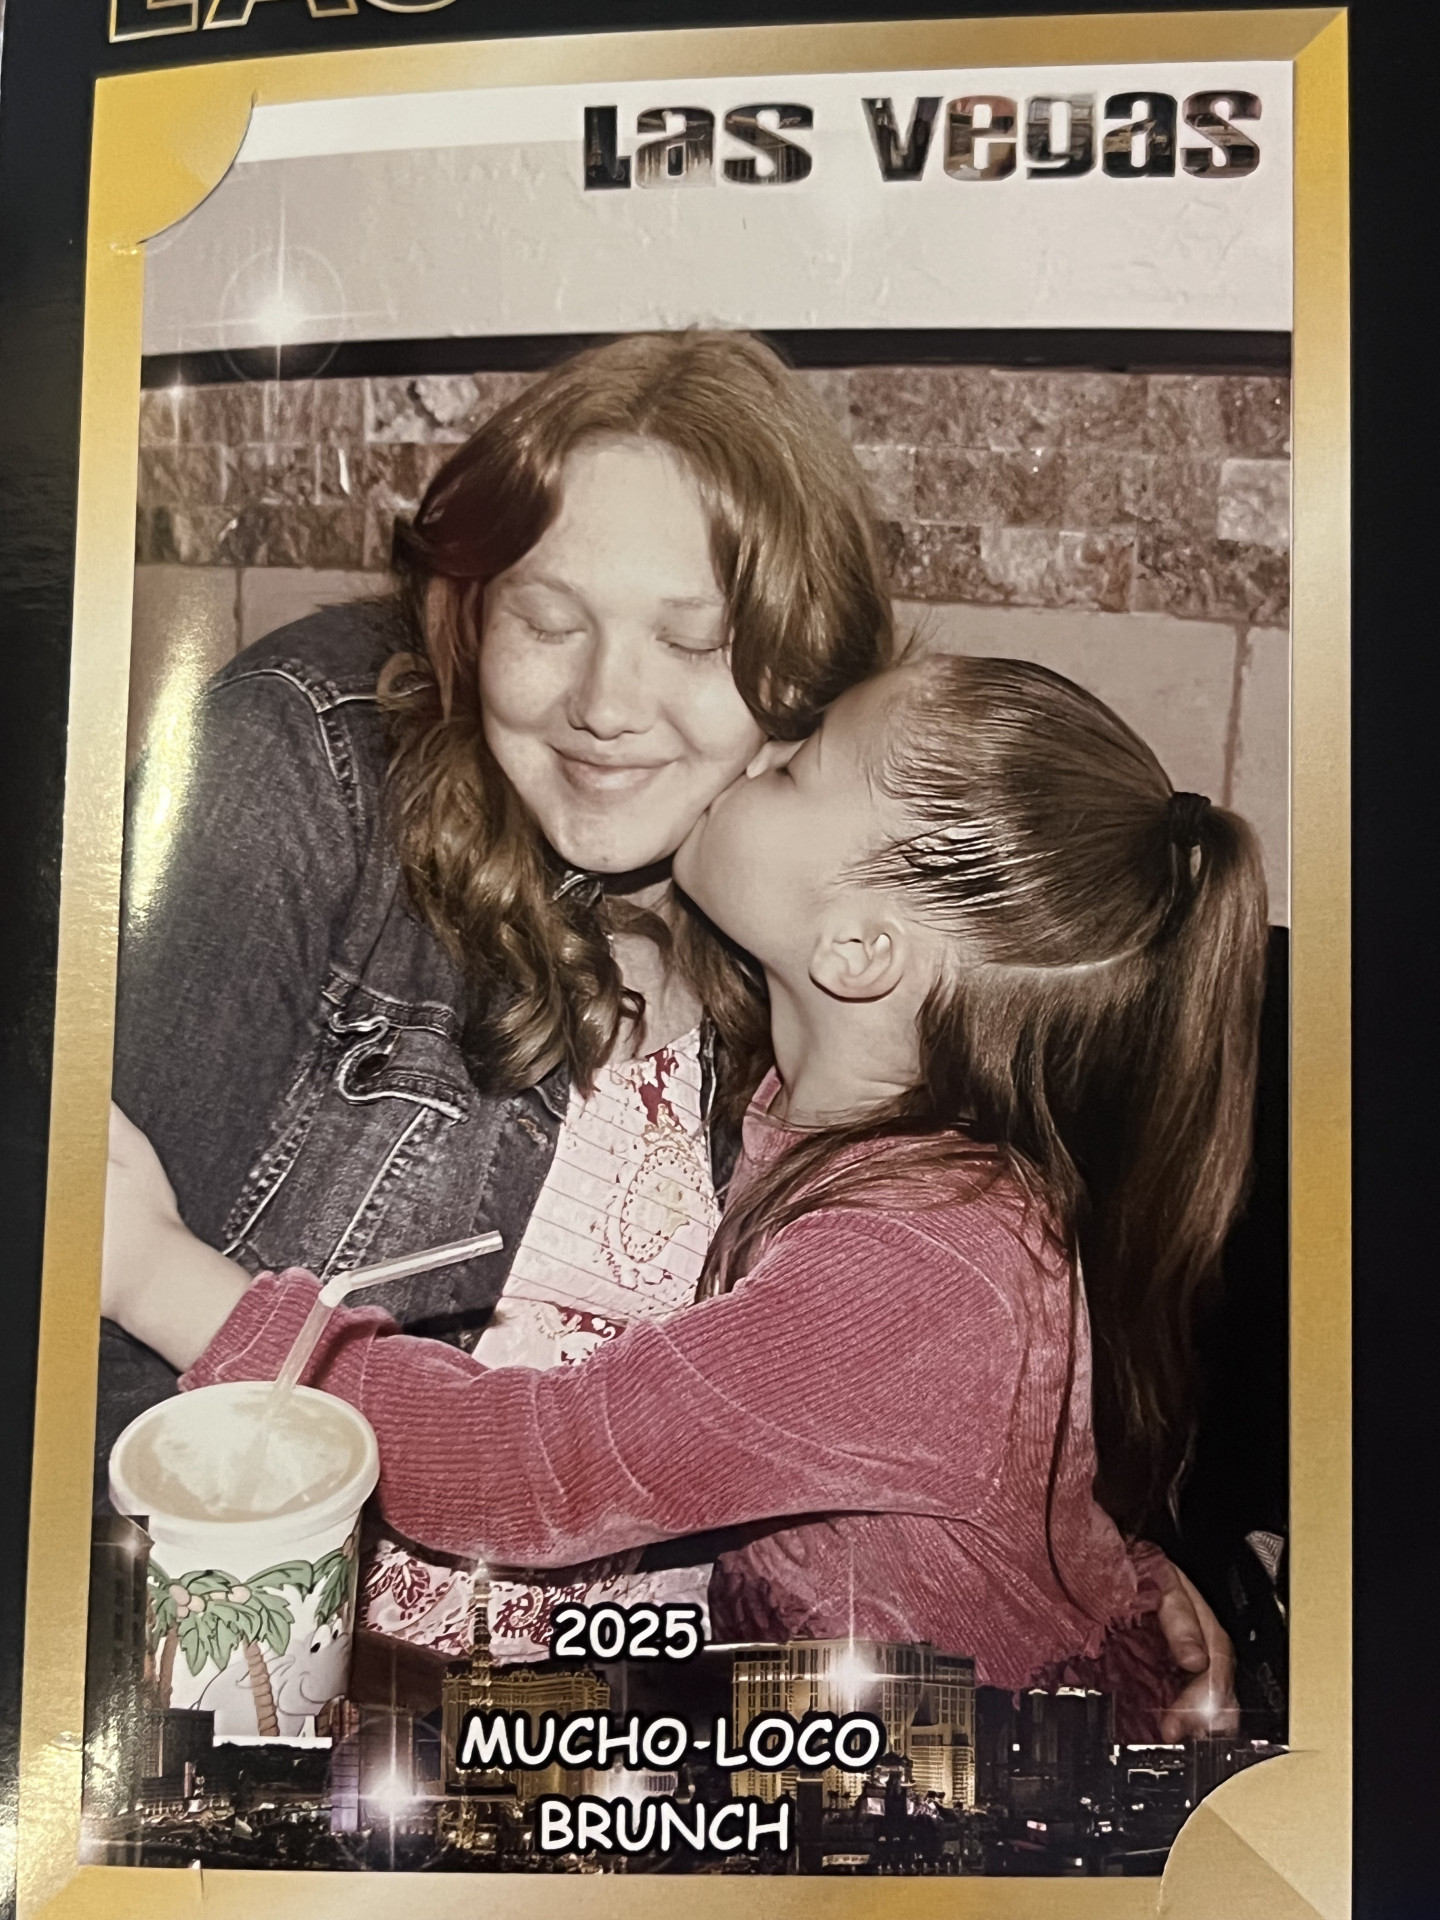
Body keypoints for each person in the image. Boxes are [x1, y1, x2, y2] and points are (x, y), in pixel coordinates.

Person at [104, 653, 1265, 1733]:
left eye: (798, 767)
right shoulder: (852, 1129)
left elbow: (527, 1471)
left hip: (956, 1788)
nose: (757, 752)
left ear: (858, 950)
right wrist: (1121, 1577)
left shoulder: (913, 1267)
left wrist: (158, 1272)